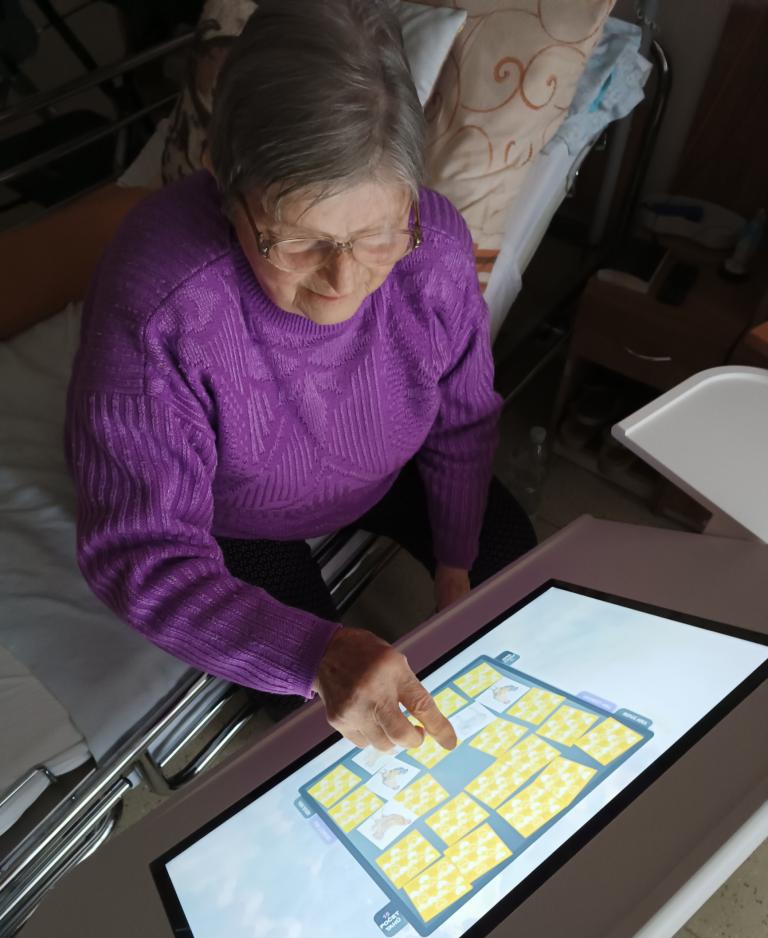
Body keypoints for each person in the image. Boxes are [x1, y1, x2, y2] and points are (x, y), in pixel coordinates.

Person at [66, 0, 536, 755]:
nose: (344, 281)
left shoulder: (434, 245)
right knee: (315, 721)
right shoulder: (159, 301)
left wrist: (456, 569)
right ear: (226, 189)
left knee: (515, 572)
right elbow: (138, 549)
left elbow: (463, 418)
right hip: (234, 515)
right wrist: (315, 655)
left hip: (384, 471)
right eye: (299, 242)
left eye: (376, 235)